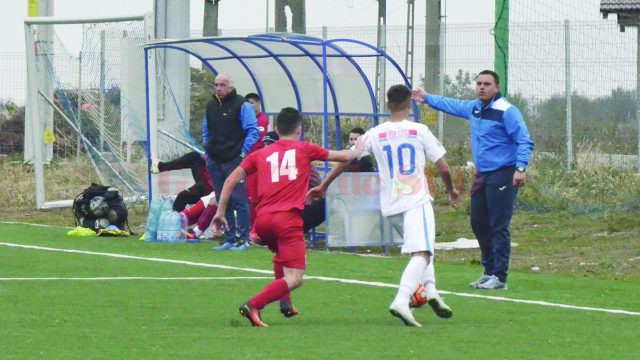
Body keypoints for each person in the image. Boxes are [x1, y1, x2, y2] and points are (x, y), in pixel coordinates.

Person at [308, 84, 458, 327]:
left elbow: (347, 159)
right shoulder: (419, 130)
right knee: (422, 252)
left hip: (391, 203)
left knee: (421, 248)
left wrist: (324, 185)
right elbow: (443, 167)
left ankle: (431, 292)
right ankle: (402, 299)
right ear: (410, 105)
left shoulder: (374, 133)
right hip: (415, 200)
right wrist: (451, 190)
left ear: (387, 105)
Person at [212, 107, 363, 327]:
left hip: (262, 222)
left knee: (280, 257)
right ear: (299, 130)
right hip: (287, 220)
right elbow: (346, 157)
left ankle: (285, 302)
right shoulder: (304, 148)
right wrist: (359, 146)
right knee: (295, 278)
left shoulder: (260, 154)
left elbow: (230, 180)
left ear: (276, 129)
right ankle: (254, 305)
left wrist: (220, 211)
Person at [411, 70, 534, 290]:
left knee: (498, 225)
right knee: (478, 223)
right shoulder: (474, 108)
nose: (481, 87)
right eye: (478, 83)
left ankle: (500, 277)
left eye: (487, 84)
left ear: (497, 87)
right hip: (483, 174)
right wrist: (427, 98)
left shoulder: (507, 111)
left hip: (504, 172)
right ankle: (488, 272)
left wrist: (521, 168)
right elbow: (452, 104)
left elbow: (524, 140)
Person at [203, 73, 259, 251]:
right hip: (215, 160)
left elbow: (253, 131)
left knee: (238, 198)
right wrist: (208, 149)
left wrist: (243, 153)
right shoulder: (211, 106)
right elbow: (206, 129)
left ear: (230, 86)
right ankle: (229, 238)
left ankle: (244, 239)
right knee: (221, 199)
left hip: (234, 159)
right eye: (216, 85)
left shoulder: (243, 105)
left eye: (222, 85)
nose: (218, 88)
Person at [245, 93, 270, 242]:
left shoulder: (262, 120)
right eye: (248, 104)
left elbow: (256, 142)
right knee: (246, 198)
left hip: (255, 165)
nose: (250, 107)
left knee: (254, 198)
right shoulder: (247, 120)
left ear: (258, 103)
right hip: (246, 163)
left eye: (252, 103)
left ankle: (253, 231)